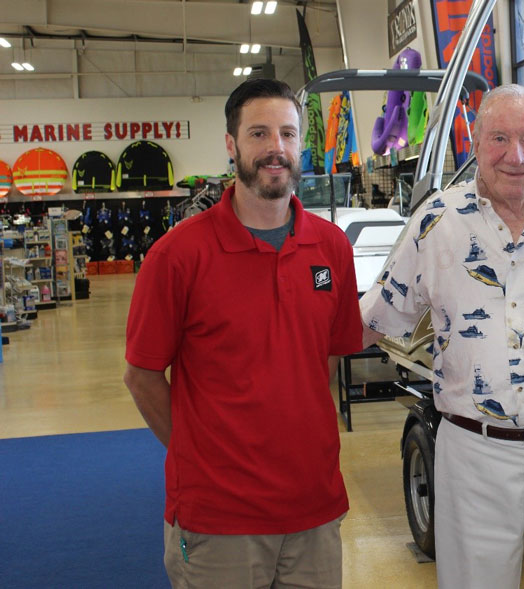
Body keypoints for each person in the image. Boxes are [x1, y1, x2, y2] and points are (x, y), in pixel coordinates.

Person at [361, 84, 524, 589]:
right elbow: (375, 318)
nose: (516, 155)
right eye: (499, 138)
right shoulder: (436, 221)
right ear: (476, 142)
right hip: (473, 454)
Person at [123, 78, 362, 588]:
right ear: (231, 145)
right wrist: (197, 453)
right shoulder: (178, 255)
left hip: (313, 510)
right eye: (259, 134)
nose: (276, 149)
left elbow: (328, 359)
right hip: (219, 521)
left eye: (288, 134)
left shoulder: (332, 248)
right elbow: (142, 374)